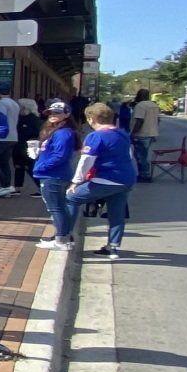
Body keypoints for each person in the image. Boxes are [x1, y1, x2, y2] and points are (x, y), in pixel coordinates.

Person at [68, 102, 138, 259]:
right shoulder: (123, 134)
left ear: (92, 119)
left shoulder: (96, 136)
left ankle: (66, 236)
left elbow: (86, 160)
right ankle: (113, 247)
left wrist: (76, 182)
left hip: (105, 178)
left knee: (71, 198)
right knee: (116, 212)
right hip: (126, 179)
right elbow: (130, 154)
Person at [29, 101, 80, 249]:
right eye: (51, 113)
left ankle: (61, 240)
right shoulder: (58, 132)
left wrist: (40, 167)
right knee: (59, 207)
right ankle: (64, 237)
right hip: (53, 174)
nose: (53, 115)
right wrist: (38, 154)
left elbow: (60, 156)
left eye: (57, 113)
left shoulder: (63, 133)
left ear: (67, 114)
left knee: (56, 208)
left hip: (54, 175)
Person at [0, 85, 21, 195]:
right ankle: (6, 186)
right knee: (4, 163)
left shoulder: (1, 104)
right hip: (13, 136)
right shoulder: (15, 104)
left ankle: (5, 185)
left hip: (1, 137)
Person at [128, 88, 162, 183]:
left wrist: (132, 133)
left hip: (141, 134)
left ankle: (144, 175)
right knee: (144, 155)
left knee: (141, 156)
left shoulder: (140, 106)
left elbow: (139, 121)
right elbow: (158, 120)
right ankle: (144, 174)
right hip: (151, 133)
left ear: (140, 96)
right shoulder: (154, 105)